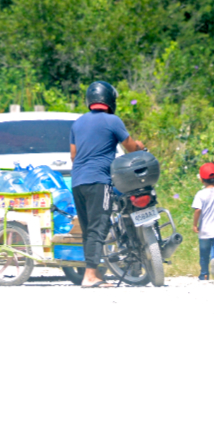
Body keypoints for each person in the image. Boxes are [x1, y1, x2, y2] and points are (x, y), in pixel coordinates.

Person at [69, 81, 146, 288]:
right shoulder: (112, 121)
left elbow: (74, 156)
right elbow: (130, 147)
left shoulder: (77, 123)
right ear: (110, 99)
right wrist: (140, 146)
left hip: (77, 181)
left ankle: (92, 272)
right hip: (99, 180)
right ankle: (90, 276)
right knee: (99, 226)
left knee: (88, 229)